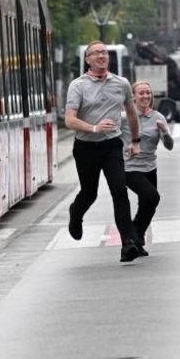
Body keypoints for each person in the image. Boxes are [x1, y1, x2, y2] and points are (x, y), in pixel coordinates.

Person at [64, 40, 143, 263]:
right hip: (86, 146)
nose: (101, 56)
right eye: (96, 53)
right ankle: (75, 213)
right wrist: (94, 128)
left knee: (119, 191)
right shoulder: (78, 85)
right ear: (87, 59)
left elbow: (131, 113)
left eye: (104, 53)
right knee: (90, 193)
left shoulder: (121, 83)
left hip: (111, 145)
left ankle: (128, 243)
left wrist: (135, 140)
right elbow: (69, 120)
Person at [121, 81, 174, 256]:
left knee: (148, 204)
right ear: (133, 97)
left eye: (148, 93)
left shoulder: (158, 117)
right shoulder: (124, 117)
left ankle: (137, 240)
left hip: (150, 166)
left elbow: (169, 146)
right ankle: (134, 234)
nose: (145, 96)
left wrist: (165, 131)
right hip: (130, 167)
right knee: (152, 196)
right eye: (141, 93)